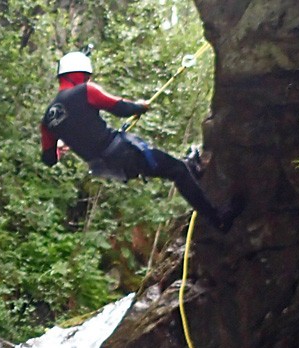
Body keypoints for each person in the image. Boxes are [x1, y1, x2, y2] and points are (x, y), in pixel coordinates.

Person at [41, 50, 243, 233]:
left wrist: (61, 148)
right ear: (79, 74)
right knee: (177, 171)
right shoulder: (84, 91)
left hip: (106, 168)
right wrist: (139, 106)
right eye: (87, 76)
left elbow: (49, 159)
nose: (88, 78)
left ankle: (193, 168)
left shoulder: (47, 120)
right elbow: (120, 108)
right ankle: (218, 219)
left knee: (170, 167)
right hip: (121, 153)